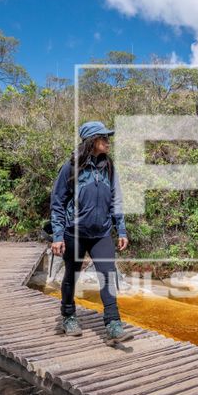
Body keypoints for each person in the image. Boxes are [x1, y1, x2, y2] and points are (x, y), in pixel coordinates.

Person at [49, 120, 133, 342]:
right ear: (92, 141)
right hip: (74, 233)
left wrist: (121, 229)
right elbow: (57, 202)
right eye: (104, 138)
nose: (108, 141)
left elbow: (116, 199)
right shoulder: (71, 167)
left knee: (108, 274)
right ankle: (68, 316)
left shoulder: (109, 166)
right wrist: (58, 235)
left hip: (102, 233)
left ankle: (113, 323)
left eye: (108, 137)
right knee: (71, 274)